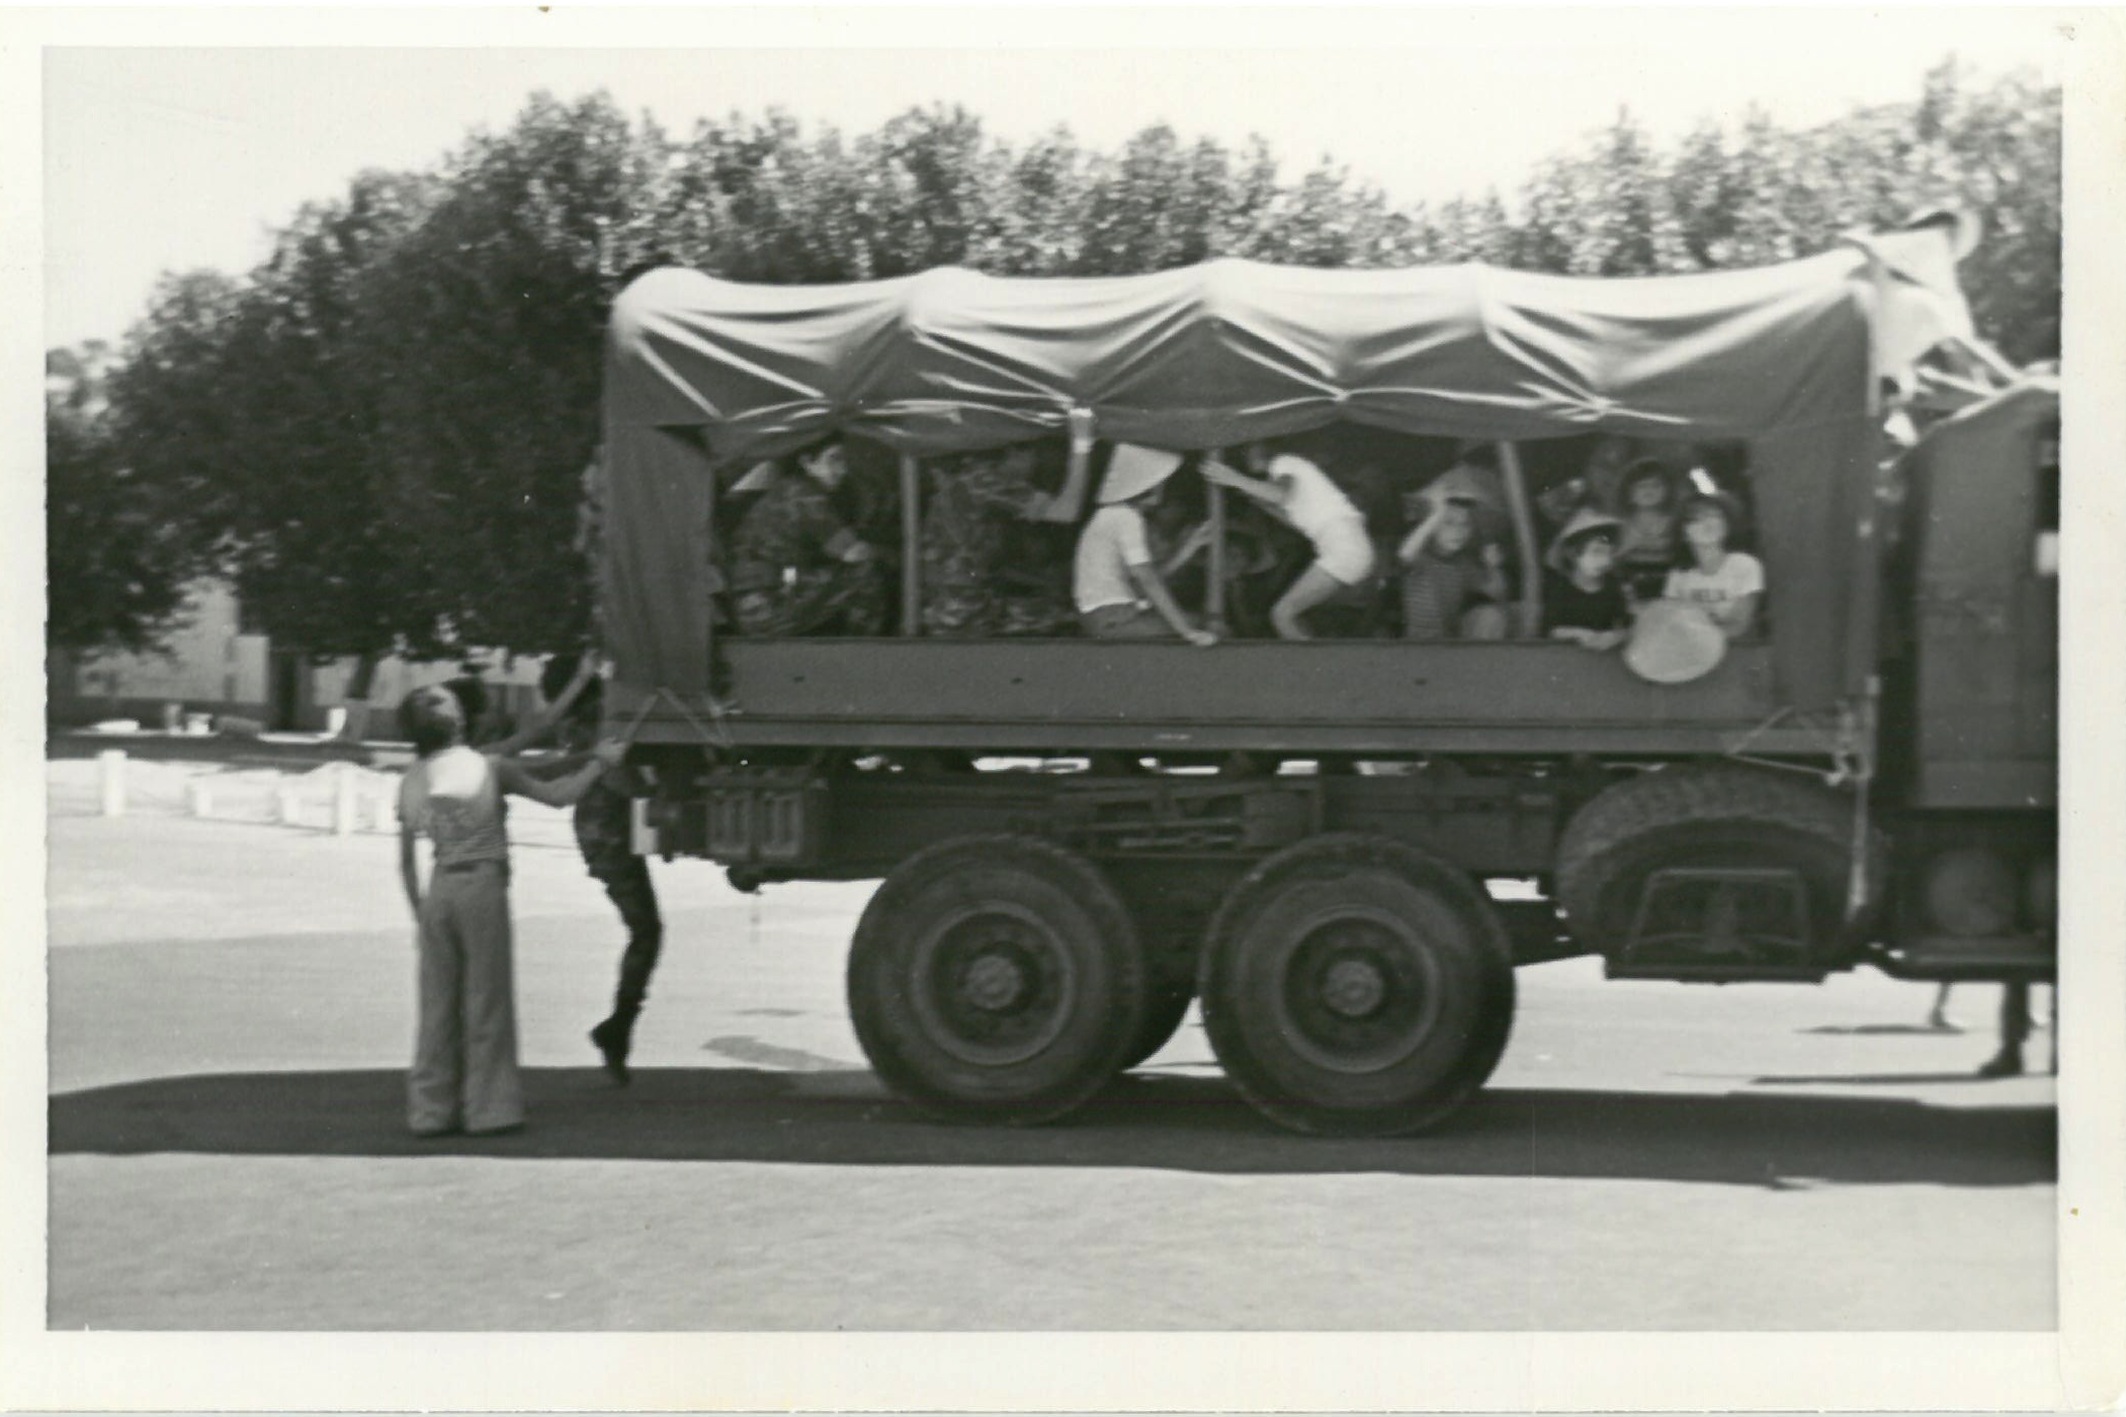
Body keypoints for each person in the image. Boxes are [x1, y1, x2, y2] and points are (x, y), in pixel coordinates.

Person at [395, 684, 623, 1138]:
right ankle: (489, 1110)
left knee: (437, 1005)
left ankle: (430, 1110)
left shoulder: (412, 778)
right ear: (461, 721)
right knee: (486, 999)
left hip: (439, 887)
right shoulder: (489, 767)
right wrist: (601, 761)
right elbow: (560, 794)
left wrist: (420, 914)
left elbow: (405, 859)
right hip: (482, 885)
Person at [921, 427, 1094, 637]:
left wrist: (1042, 581)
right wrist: (1082, 445)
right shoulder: (984, 480)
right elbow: (1068, 510)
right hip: (967, 612)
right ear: (1016, 453)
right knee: (1071, 620)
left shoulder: (966, 480)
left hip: (955, 606)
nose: (1032, 472)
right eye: (1034, 460)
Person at [1201, 451, 1376, 640]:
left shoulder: (1283, 461)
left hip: (1345, 549)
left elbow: (1280, 494)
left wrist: (1234, 478)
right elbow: (1296, 520)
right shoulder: (1301, 485)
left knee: (1282, 615)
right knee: (1292, 616)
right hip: (1351, 549)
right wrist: (1257, 499)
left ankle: (1316, 666)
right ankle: (1317, 661)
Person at [728, 442, 886, 637]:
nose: (842, 470)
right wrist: (892, 553)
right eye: (834, 459)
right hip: (766, 609)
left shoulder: (786, 489)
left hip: (752, 605)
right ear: (807, 463)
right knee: (864, 572)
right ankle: (862, 652)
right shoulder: (805, 496)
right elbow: (853, 554)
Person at [1072, 444, 1217, 644]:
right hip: (1114, 616)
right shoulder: (1125, 517)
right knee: (1212, 626)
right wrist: (1188, 631)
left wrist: (1190, 547)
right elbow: (1147, 579)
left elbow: (1143, 580)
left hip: (1106, 616)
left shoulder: (1112, 514)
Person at [1395, 488, 1510, 641]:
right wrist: (1436, 514)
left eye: (1465, 524)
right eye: (1449, 523)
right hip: (1420, 645)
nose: (1458, 531)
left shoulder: (1463, 564)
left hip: (1450, 642)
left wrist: (1493, 566)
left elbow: (1496, 592)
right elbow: (1405, 554)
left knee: (1491, 616)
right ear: (1431, 526)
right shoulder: (1421, 558)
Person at [1662, 491, 1764, 640]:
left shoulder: (1745, 565)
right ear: (1683, 533)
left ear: (1727, 524)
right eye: (1696, 519)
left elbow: (1739, 626)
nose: (1708, 523)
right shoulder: (1678, 574)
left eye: (1715, 516)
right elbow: (1672, 622)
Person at [1543, 507, 1631, 650]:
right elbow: (1552, 630)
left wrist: (1615, 636)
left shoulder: (1613, 587)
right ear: (1573, 554)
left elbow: (1626, 625)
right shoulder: (1560, 589)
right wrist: (1579, 634)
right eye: (1596, 552)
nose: (1605, 561)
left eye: (1609, 553)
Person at [1611, 459, 1681, 604]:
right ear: (1628, 493)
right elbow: (1607, 565)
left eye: (1656, 485)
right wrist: (1623, 548)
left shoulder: (1676, 524)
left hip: (1670, 596)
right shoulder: (1618, 526)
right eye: (1641, 486)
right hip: (1628, 597)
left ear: (1668, 490)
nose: (1649, 490)